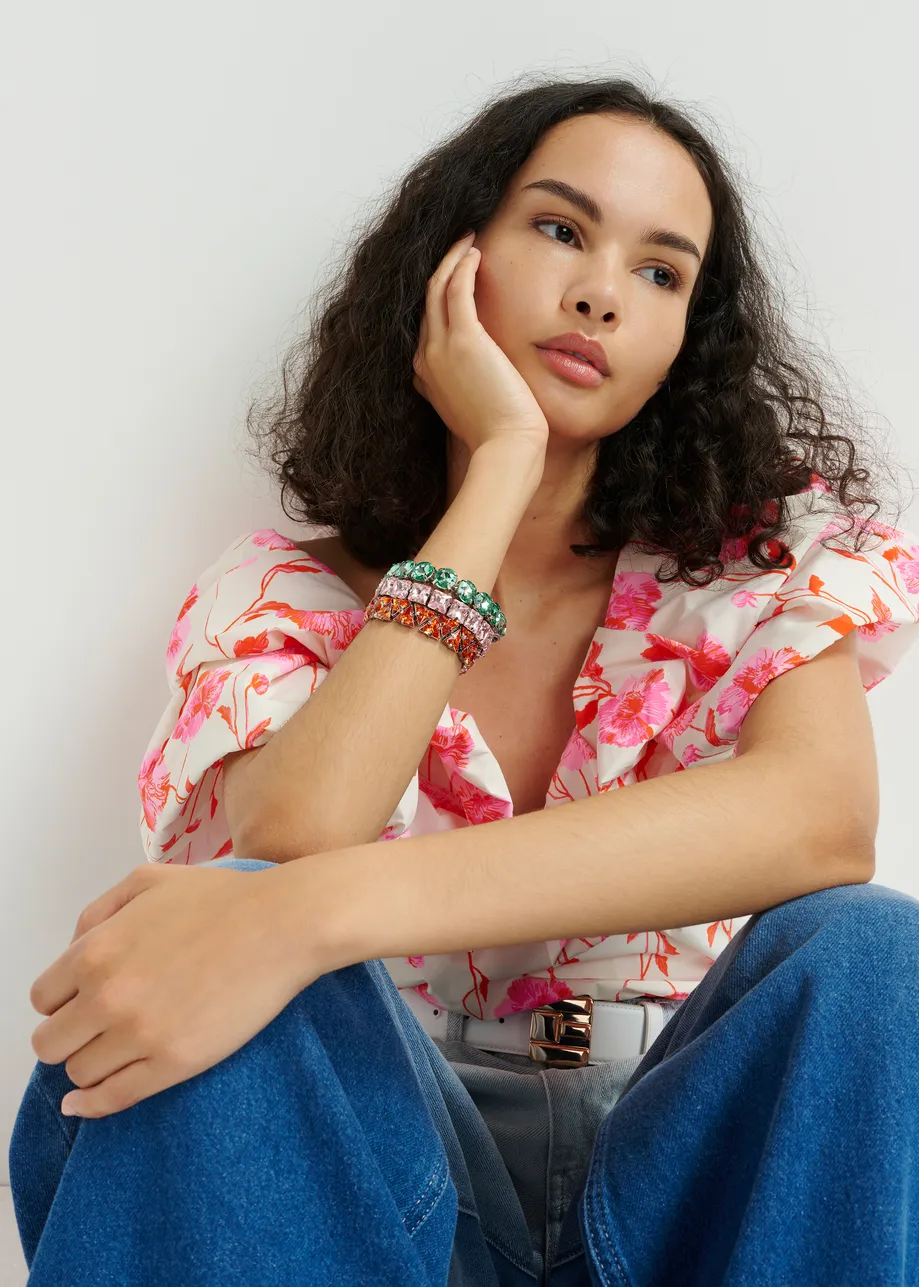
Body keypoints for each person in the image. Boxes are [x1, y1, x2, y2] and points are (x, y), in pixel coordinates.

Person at [9, 74, 919, 1286]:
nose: (600, 288)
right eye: (558, 228)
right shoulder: (279, 595)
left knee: (868, 955)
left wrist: (307, 918)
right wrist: (499, 468)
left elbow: (817, 823)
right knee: (236, 984)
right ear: (453, 260)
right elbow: (288, 835)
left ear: (683, 346)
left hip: (685, 1194)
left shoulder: (747, 572)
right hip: (370, 1192)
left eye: (661, 272)